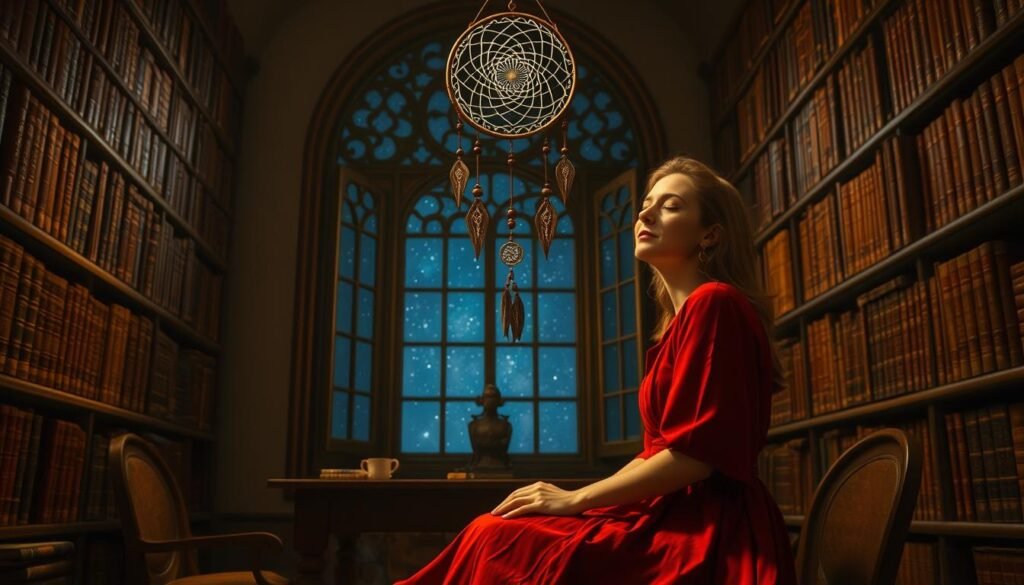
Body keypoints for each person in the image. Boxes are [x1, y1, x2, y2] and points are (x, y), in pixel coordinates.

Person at [395, 156, 798, 584]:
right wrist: (583, 502)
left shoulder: (714, 303)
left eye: (671, 205)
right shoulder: (677, 325)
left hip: (704, 530)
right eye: (647, 203)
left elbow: (693, 458)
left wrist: (575, 499)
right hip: (674, 512)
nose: (645, 213)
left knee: (498, 538)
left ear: (710, 234)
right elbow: (657, 453)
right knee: (496, 532)